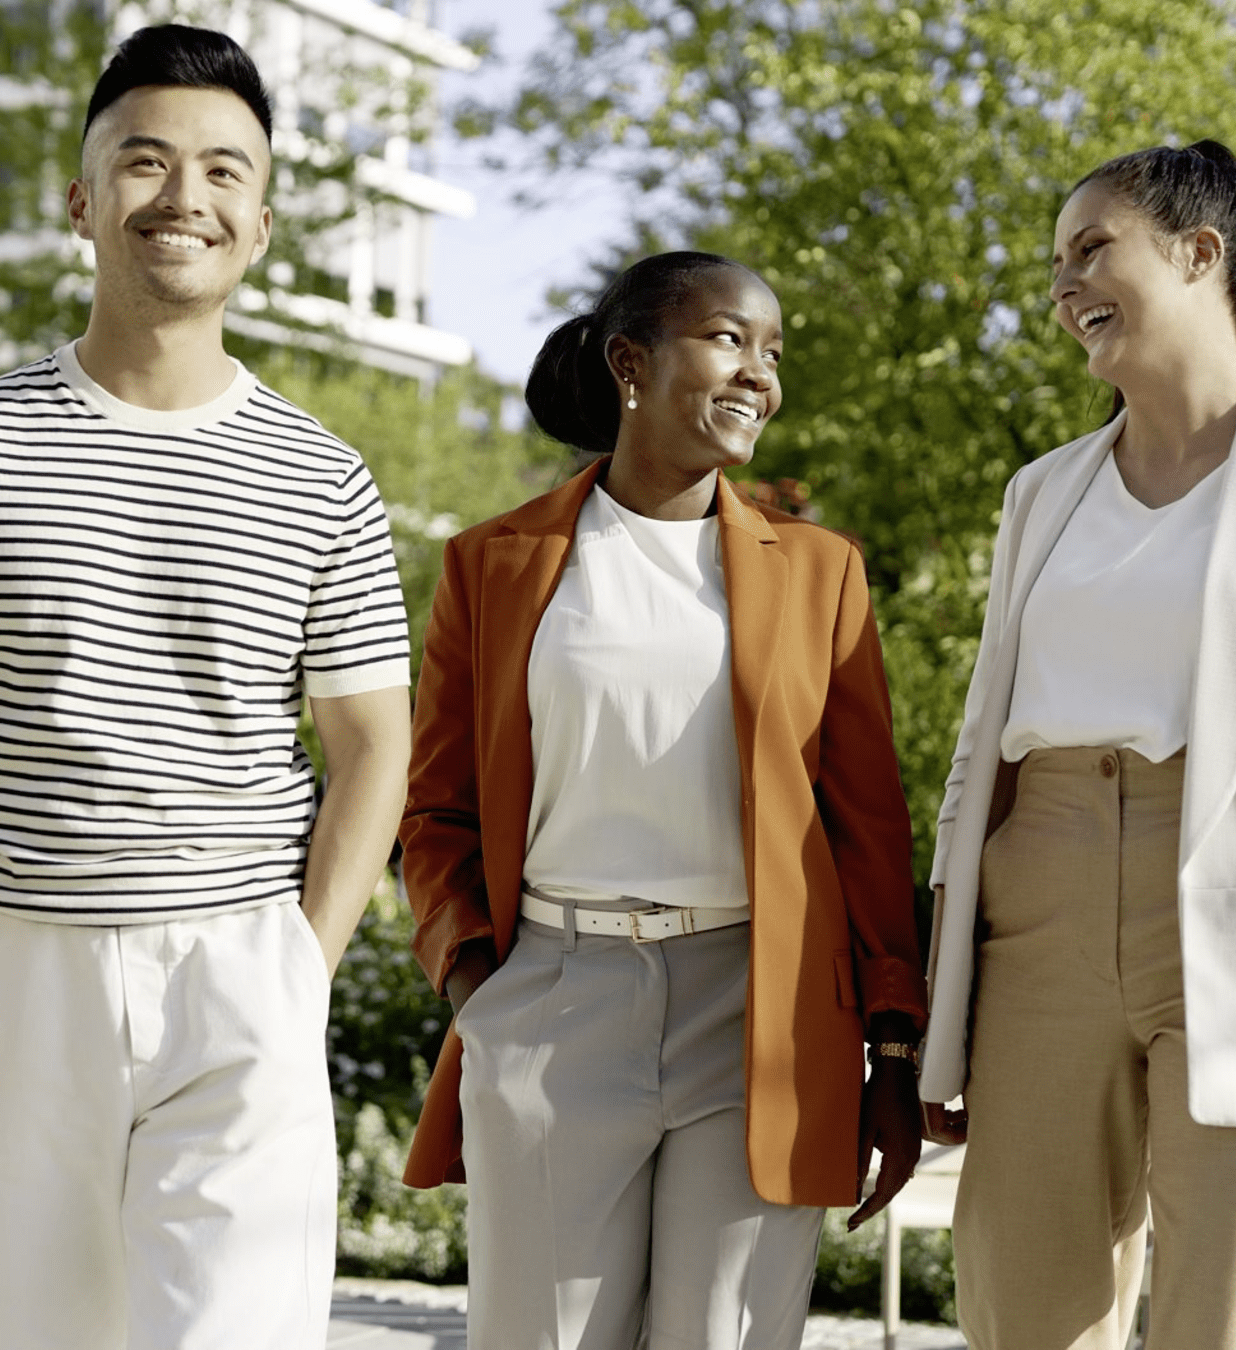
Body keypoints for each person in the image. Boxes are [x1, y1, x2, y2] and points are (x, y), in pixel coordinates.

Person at [0, 25, 412, 1350]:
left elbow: (375, 742)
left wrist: (302, 964)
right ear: (81, 201)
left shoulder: (325, 478)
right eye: (143, 162)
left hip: (240, 963)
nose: (180, 197)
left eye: (219, 171)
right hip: (18, 966)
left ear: (262, 221)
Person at [916, 140, 1236, 1350]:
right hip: (1037, 905)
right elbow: (975, 756)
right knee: (1025, 1307)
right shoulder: (1040, 492)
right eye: (1055, 266)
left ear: (1202, 254)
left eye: (1092, 249)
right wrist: (946, 991)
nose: (1062, 287)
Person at [400, 251, 931, 1350]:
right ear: (631, 362)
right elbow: (436, 811)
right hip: (552, 994)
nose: (760, 375)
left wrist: (894, 1052)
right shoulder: (492, 567)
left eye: (773, 353)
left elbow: (868, 829)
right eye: (730, 339)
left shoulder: (821, 573)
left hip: (763, 1014)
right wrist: (475, 985)